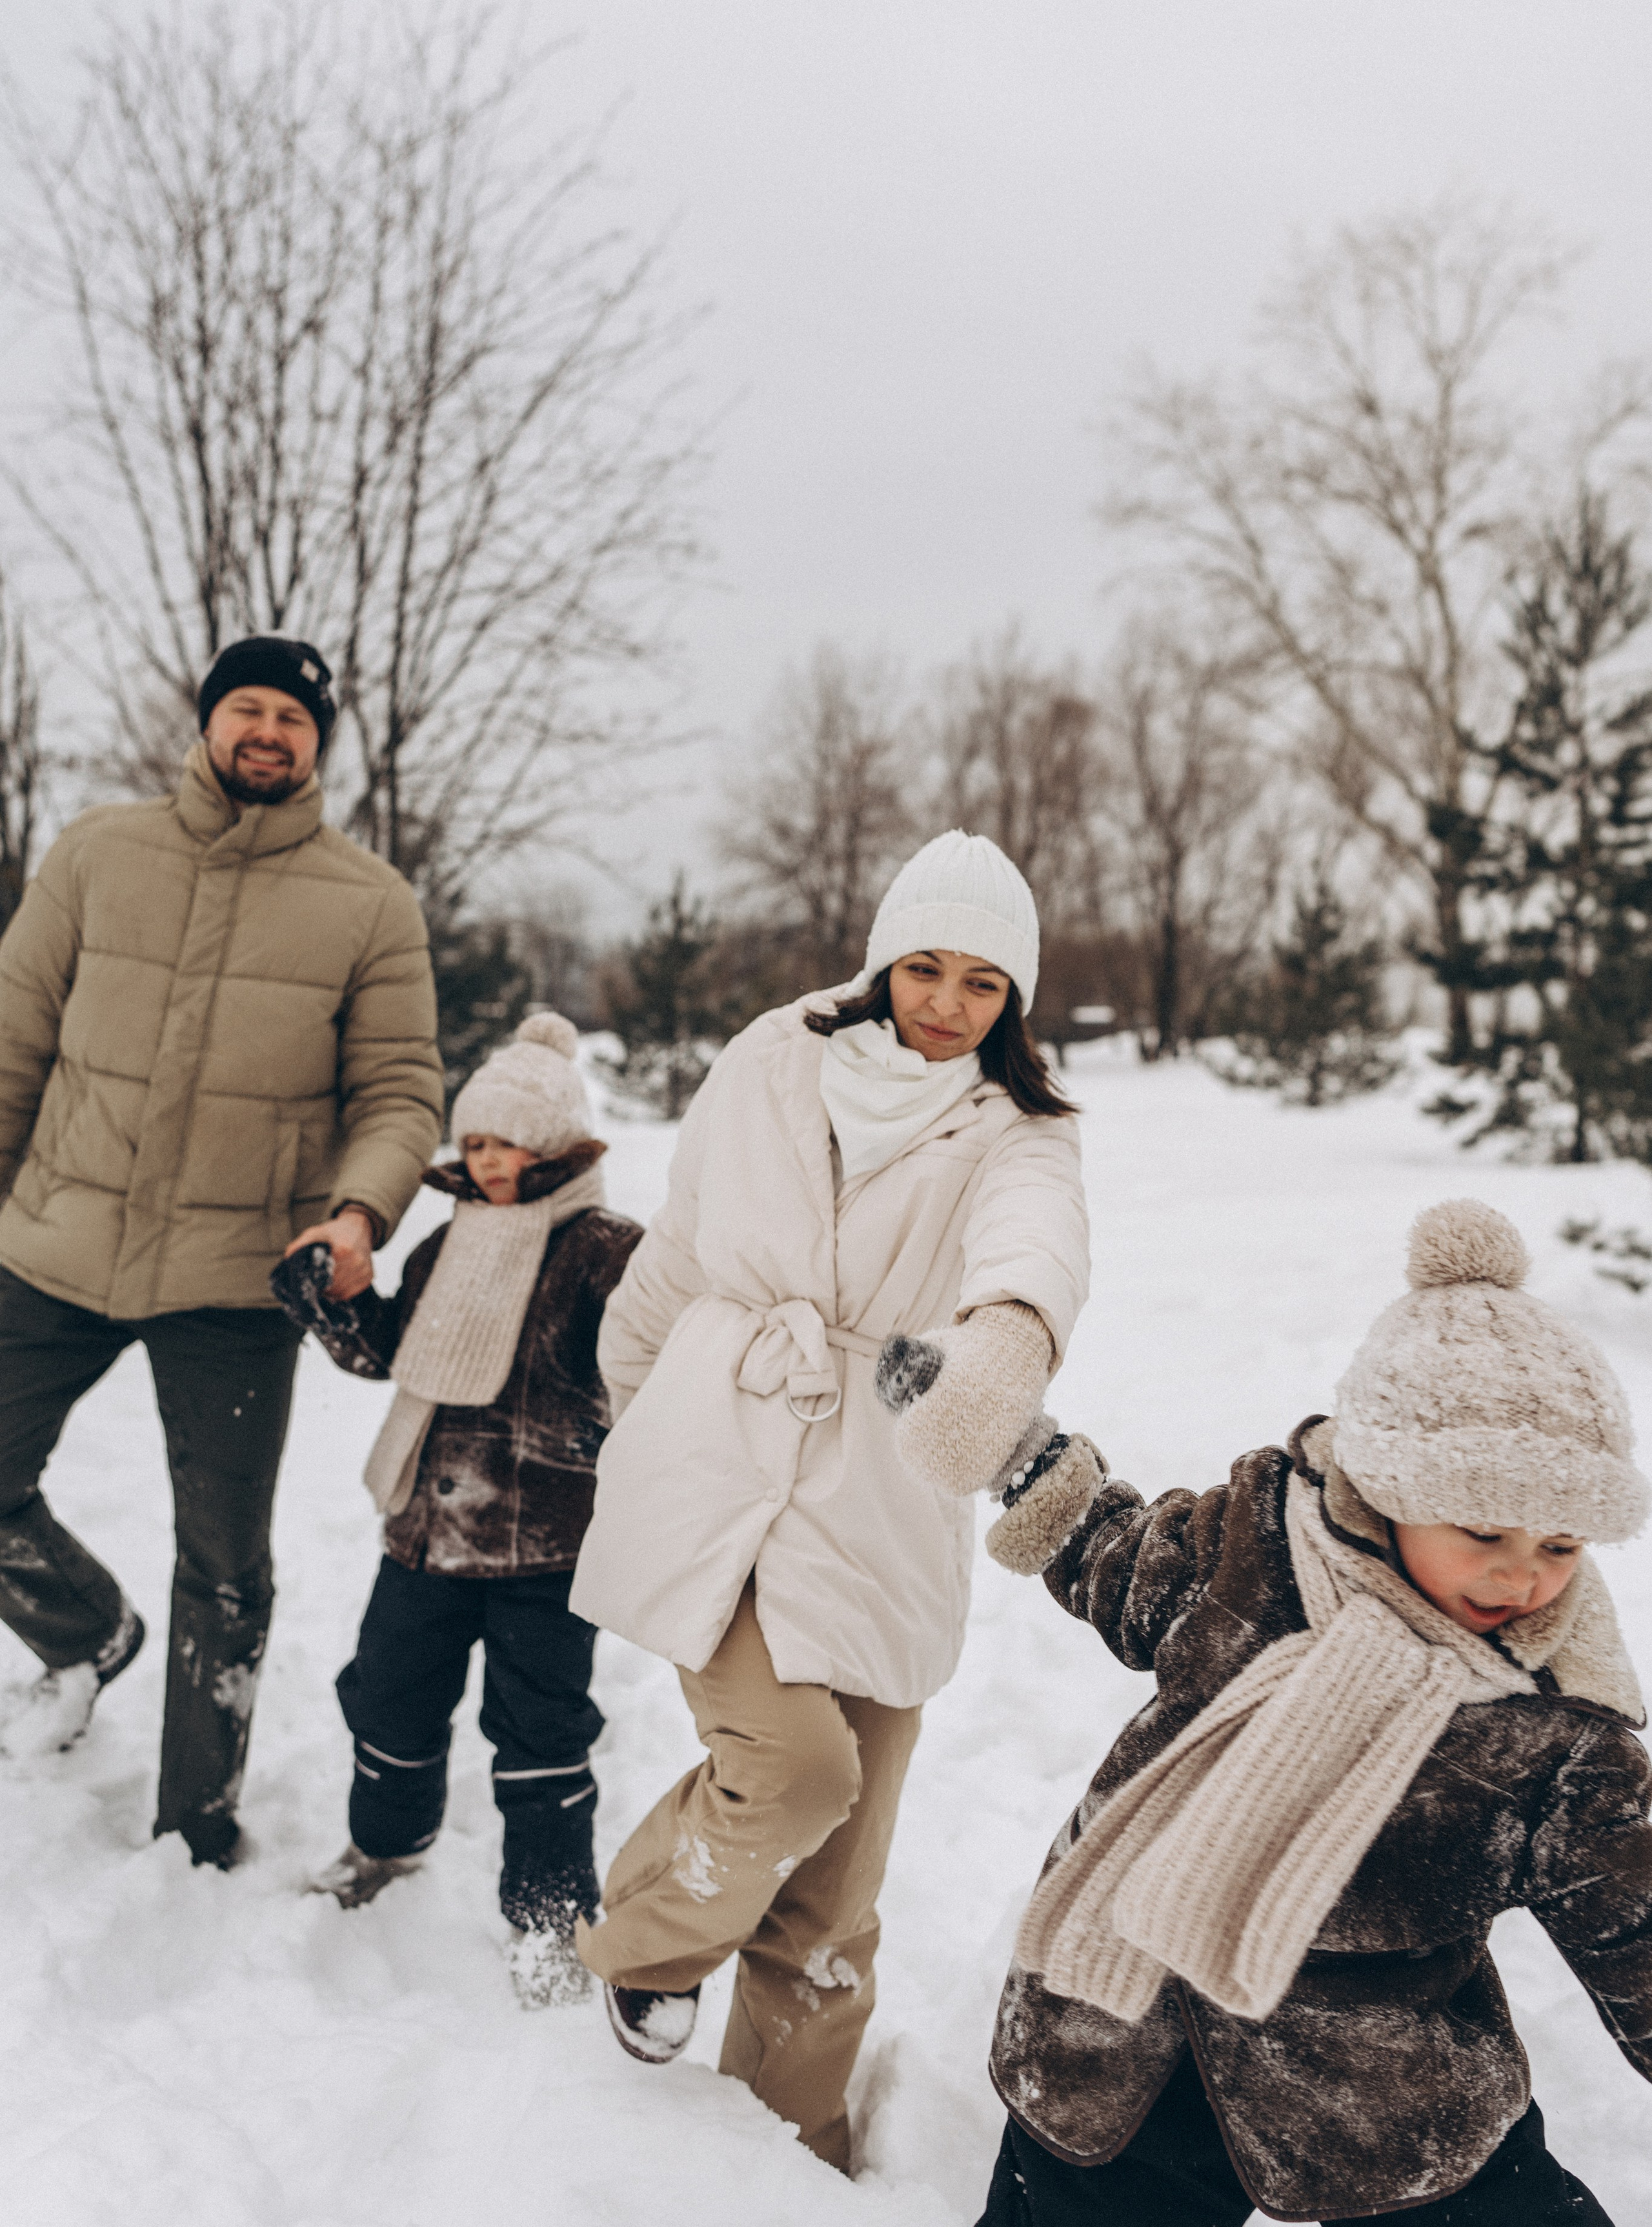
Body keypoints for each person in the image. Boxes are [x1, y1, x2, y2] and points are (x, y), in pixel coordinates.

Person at [570, 829, 1091, 2173]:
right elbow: (681, 1243)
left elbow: (1033, 1251)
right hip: (721, 1448)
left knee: (838, 1896)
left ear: (1011, 1000)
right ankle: (643, 1943)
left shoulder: (1017, 1125)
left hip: (884, 1483)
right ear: (881, 959)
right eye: (922, 965)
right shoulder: (770, 1053)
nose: (943, 1002)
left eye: (981, 982)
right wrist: (633, 1410)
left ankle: (789, 2152)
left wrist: (1006, 1343)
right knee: (793, 1769)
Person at [976, 1198, 1652, 2226]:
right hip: (1119, 2034)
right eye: (1483, 1529)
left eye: (1562, 1545)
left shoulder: (1557, 1729)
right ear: (1387, 1485)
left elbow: (1636, 1923)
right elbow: (1119, 1562)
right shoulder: (1258, 1548)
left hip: (1383, 2099)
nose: (1524, 1574)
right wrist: (1019, 1457)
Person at [0, 635, 443, 1867]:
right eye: (246, 707)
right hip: (55, 1240)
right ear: (206, 722)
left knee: (225, 1568)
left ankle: (195, 1824)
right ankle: (85, 1629)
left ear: (319, 743)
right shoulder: (96, 852)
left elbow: (402, 1092)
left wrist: (356, 1214)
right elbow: (13, 1040)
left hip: (238, 1280)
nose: (268, 730)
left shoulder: (369, 903)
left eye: (293, 718)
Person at [272, 1013, 641, 2008]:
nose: (484, 1161)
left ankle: (551, 1913)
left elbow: (655, 1360)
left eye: (506, 1141)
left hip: (547, 1551)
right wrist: (332, 1306)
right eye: (473, 1141)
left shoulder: (606, 1254)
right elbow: (393, 1350)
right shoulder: (448, 1244)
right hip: (424, 1537)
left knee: (541, 1734)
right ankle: (387, 1843)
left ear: (561, 1142)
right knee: (387, 1696)